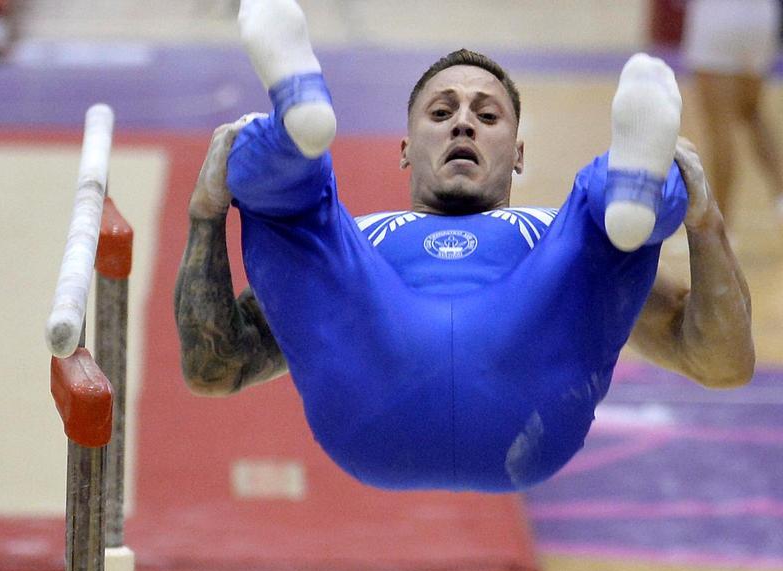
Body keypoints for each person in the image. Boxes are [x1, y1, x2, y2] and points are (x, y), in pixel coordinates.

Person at [174, 0, 755, 493]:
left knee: (604, 225)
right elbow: (218, 367)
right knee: (300, 216)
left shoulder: (559, 239)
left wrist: (706, 225)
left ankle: (636, 184)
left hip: (443, 410)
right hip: (464, 411)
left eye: (487, 114)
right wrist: (206, 212)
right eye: (441, 111)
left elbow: (721, 362)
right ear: (404, 150)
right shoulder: (355, 241)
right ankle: (293, 126)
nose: (463, 125)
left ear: (519, 155)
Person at [682, 0, 783, 220]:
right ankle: (781, 194)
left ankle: (720, 224)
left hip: (718, 18)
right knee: (751, 111)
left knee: (720, 127)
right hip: (760, 20)